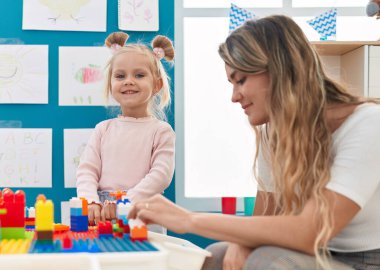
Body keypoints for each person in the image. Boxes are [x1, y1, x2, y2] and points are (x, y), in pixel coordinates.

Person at [128, 15, 380, 270]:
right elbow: (267, 212)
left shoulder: (368, 124)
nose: (234, 96)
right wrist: (243, 241)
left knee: (266, 261)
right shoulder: (278, 129)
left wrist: (188, 219)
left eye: (241, 80)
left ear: (281, 70)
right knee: (216, 255)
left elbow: (311, 230)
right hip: (315, 253)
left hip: (363, 260)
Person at [76, 32, 176, 225]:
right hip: (101, 214)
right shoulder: (103, 129)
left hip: (141, 211)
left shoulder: (161, 131)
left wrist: (125, 202)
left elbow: (160, 175)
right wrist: (90, 202)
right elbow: (86, 171)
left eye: (139, 75)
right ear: (111, 83)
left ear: (157, 85)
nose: (128, 81)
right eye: (120, 76)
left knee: (143, 254)